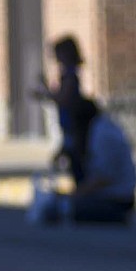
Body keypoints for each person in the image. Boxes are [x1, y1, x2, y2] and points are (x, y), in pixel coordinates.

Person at [35, 98, 136, 225]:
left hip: (117, 199)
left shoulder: (102, 135)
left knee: (59, 211)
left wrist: (73, 196)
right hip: (106, 195)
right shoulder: (99, 129)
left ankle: (115, 216)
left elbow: (102, 179)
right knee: (62, 206)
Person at [34, 35, 85, 180]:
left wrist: (46, 94)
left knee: (72, 158)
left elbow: (64, 98)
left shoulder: (70, 76)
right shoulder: (66, 74)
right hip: (67, 123)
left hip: (72, 123)